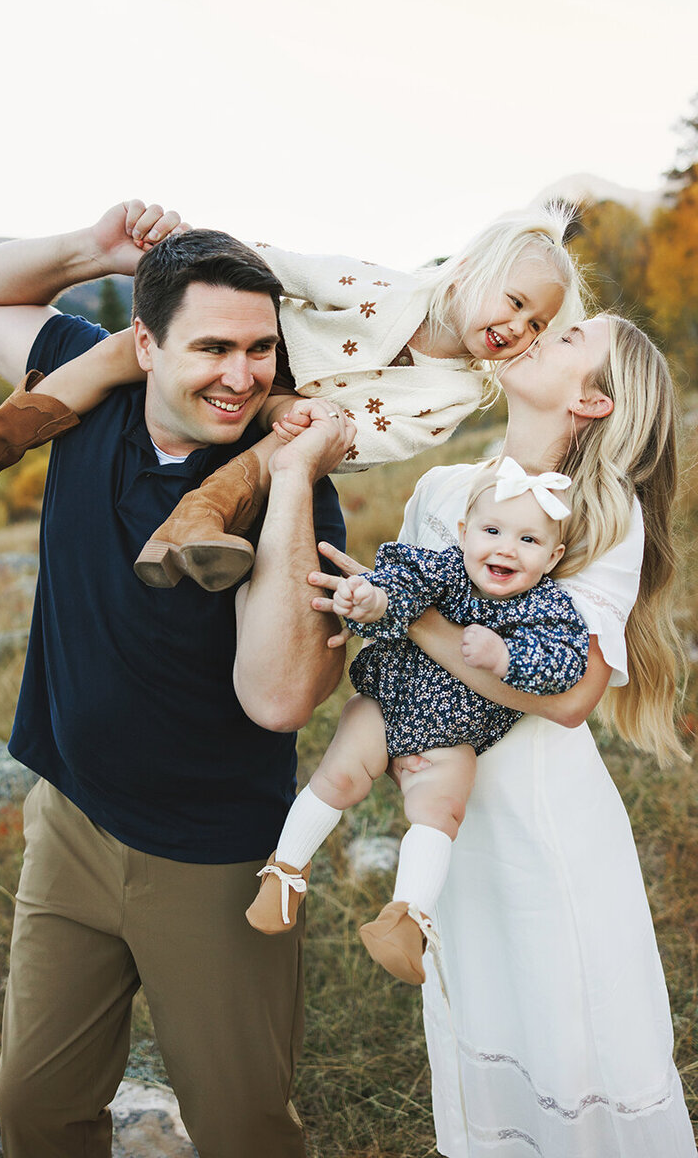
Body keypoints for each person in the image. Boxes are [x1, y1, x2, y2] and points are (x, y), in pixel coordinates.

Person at [0, 200, 354, 1158]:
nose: (242, 377)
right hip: (72, 824)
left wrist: (290, 483)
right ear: (144, 346)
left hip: (214, 857)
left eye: (261, 350)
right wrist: (94, 248)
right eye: (212, 347)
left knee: (245, 1130)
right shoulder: (87, 395)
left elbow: (281, 697)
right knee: (37, 1112)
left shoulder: (292, 493)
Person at [311, 316, 697, 1155]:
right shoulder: (444, 489)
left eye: (568, 340)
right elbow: (392, 632)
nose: (540, 335)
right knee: (482, 1023)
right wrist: (364, 610)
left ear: (592, 399)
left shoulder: (602, 512)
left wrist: (410, 616)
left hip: (544, 822)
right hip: (454, 818)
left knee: (574, 1046)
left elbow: (566, 699)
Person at [0, 203, 583, 591]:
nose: (518, 329)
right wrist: (194, 249)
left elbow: (384, 440)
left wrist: (302, 420)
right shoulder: (388, 289)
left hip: (303, 422)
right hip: (254, 351)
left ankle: (192, 528)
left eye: (537, 326)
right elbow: (287, 268)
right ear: (469, 274)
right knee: (115, 351)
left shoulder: (457, 394)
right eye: (516, 303)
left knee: (281, 455)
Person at [245, 459, 590, 990]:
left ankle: (406, 920)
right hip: (387, 702)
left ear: (553, 556)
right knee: (339, 775)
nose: (504, 548)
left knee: (442, 807)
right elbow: (402, 582)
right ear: (463, 533)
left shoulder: (548, 608)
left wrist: (504, 657)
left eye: (528, 540)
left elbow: (563, 663)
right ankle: (285, 870)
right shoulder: (446, 568)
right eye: (492, 531)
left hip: (455, 735)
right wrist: (375, 598)